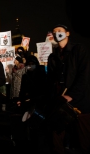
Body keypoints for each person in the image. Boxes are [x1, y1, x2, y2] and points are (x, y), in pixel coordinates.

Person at [47, 24, 90, 154]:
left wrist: (72, 95)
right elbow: (51, 80)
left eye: (60, 31)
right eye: (54, 32)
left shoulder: (79, 49)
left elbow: (85, 75)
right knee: (56, 137)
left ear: (68, 33)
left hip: (79, 102)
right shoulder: (53, 57)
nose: (56, 34)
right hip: (60, 103)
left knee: (84, 139)